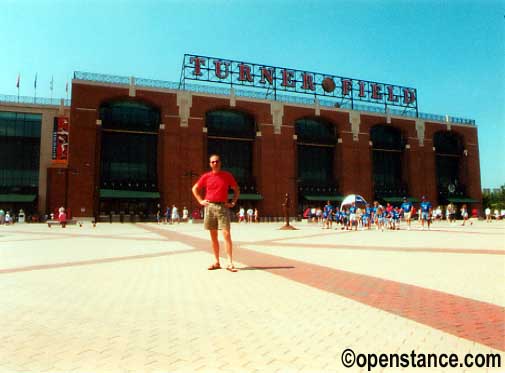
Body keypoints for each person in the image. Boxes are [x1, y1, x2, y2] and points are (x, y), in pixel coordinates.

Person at [192, 154, 240, 272]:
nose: (215, 163)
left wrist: (233, 202)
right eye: (212, 162)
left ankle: (229, 262)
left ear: (220, 162)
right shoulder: (206, 176)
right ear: (210, 164)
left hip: (223, 206)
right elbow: (194, 188)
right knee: (213, 236)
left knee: (226, 234)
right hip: (210, 206)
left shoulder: (227, 176)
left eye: (217, 161)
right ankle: (216, 261)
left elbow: (237, 189)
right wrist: (200, 201)